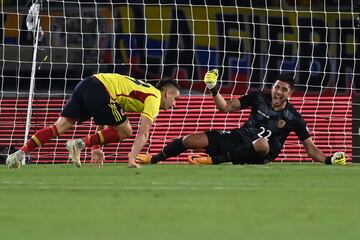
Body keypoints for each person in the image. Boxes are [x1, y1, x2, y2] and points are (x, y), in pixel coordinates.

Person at [135, 69, 347, 166]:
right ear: (272, 88)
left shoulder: (294, 117)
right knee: (191, 139)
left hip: (261, 153)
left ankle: (213, 161)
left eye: (283, 90)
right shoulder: (257, 97)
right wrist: (213, 88)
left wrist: (329, 160)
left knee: (263, 143)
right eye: (276, 87)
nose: (278, 92)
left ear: (290, 94)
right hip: (239, 137)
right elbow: (225, 108)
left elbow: (311, 149)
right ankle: (153, 158)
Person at [6, 73, 181, 169]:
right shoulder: (154, 97)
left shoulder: (143, 90)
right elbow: (144, 132)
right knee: (126, 130)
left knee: (59, 127)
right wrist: (132, 158)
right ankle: (78, 144)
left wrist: (96, 147)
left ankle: (18, 154)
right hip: (101, 90)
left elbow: (105, 114)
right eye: (175, 99)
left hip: (87, 84)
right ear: (167, 93)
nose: (174, 105)